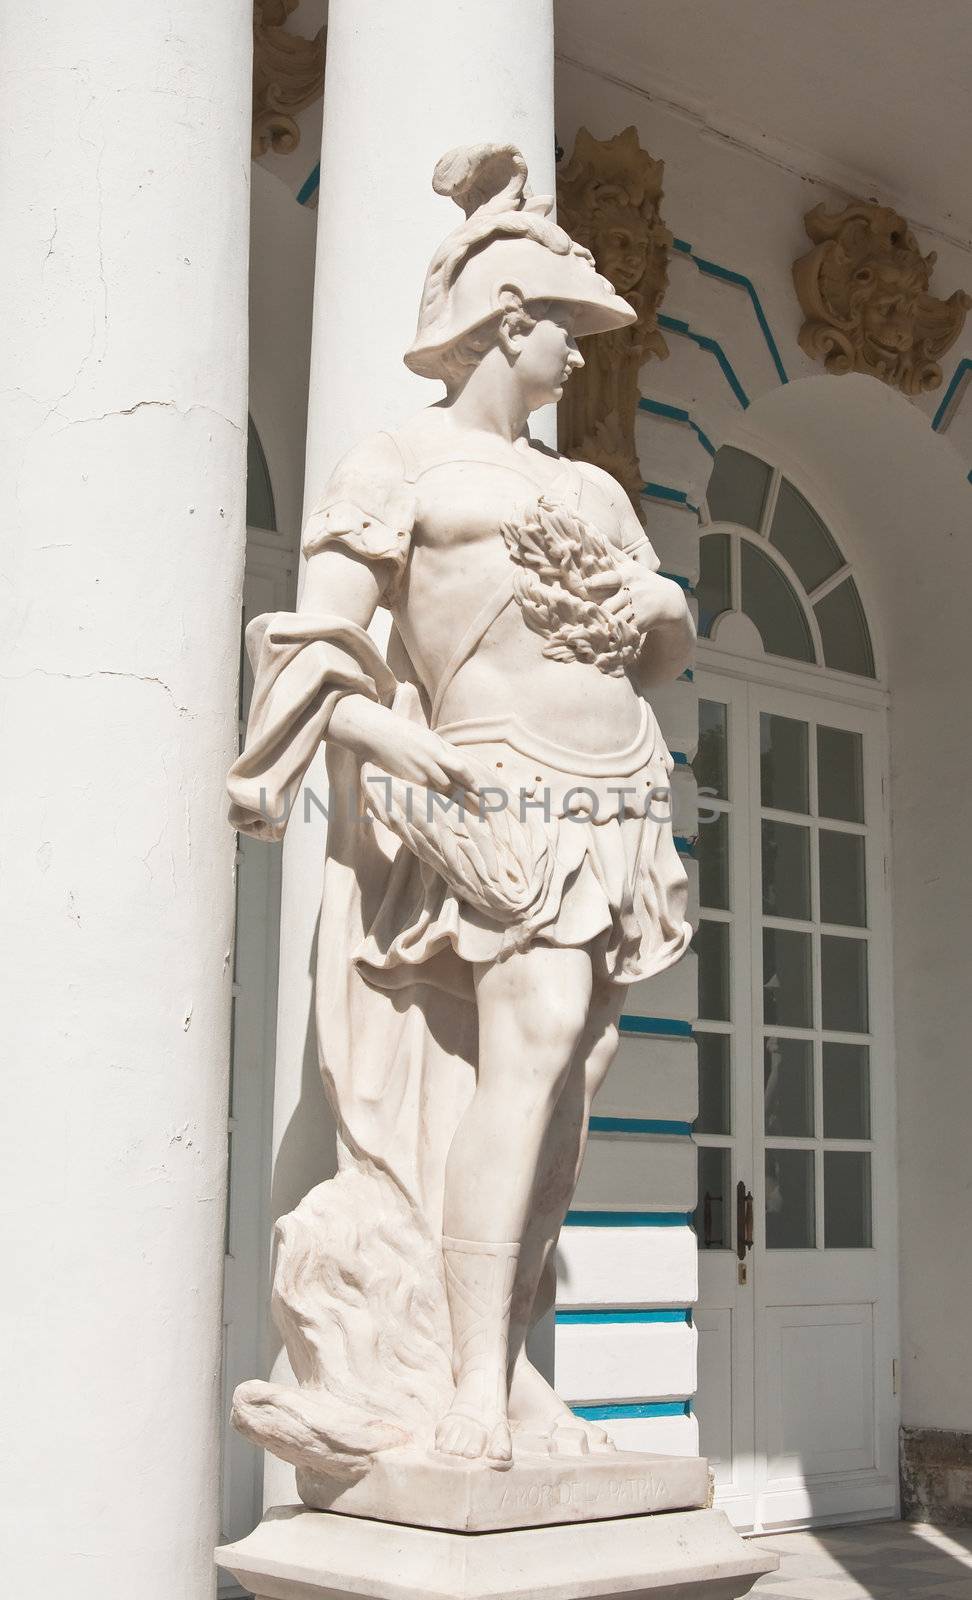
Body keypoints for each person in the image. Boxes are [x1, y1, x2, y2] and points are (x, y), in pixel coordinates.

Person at [229, 143, 694, 1473]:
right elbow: (314, 648)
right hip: (496, 792)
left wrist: (657, 607)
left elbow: (659, 644)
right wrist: (402, 750)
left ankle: (503, 1369)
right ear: (508, 322)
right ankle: (475, 1396)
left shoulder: (594, 488)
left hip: (618, 804)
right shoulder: (398, 465)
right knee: (535, 1042)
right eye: (568, 330)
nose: (583, 357)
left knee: (565, 1088)